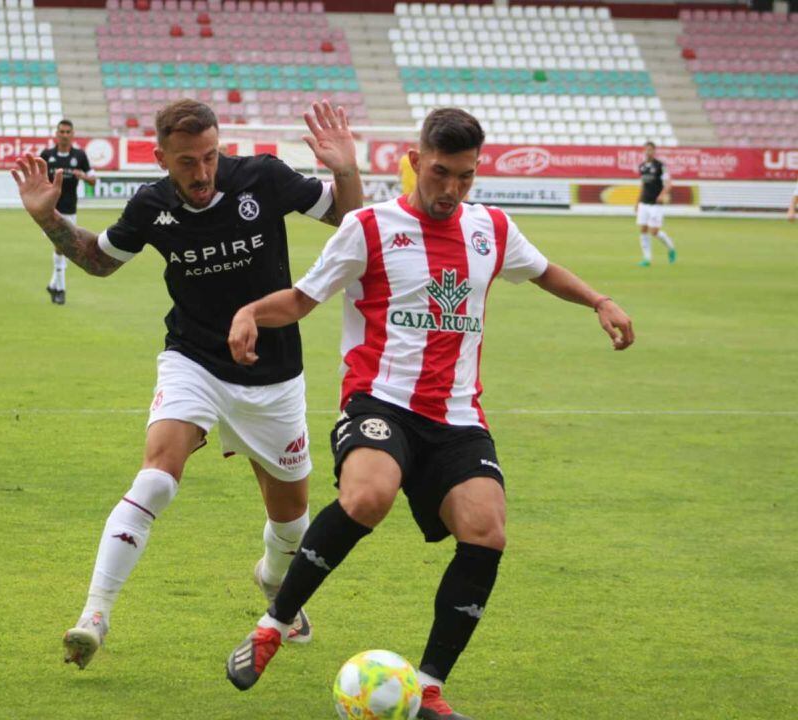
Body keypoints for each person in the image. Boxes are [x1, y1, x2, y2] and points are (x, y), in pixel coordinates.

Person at [223, 108, 634, 719]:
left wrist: (598, 299)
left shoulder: (491, 228)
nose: (450, 190)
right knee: (368, 495)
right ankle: (274, 626)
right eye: (440, 173)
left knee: (487, 528)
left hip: (458, 418)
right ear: (414, 162)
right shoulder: (368, 226)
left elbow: (543, 272)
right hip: (379, 400)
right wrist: (252, 311)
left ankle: (428, 687)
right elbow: (303, 299)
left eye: (464, 178)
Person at [10, 98, 364, 669]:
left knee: (292, 522)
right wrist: (49, 219)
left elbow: (348, 222)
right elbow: (100, 261)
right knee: (155, 478)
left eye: (209, 157)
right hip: (192, 361)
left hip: (273, 375)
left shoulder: (263, 177)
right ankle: (93, 616)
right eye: (185, 163)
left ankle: (273, 580)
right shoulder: (151, 205)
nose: (201, 173)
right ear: (160, 158)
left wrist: (345, 169)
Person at [41, 119, 96, 305]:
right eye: (61, 132)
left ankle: (53, 285)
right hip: (50, 209)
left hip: (70, 210)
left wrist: (84, 176)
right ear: (56, 134)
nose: (64, 135)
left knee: (63, 247)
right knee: (61, 246)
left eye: (67, 132)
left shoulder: (80, 156)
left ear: (72, 135)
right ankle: (61, 289)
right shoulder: (47, 155)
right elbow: (39, 180)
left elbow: (93, 181)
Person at [635, 141, 676, 267]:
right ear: (644, 151)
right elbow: (643, 184)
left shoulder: (660, 166)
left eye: (650, 150)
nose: (648, 152)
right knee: (643, 230)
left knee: (654, 231)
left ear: (654, 151)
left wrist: (662, 195)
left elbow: (669, 184)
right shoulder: (641, 166)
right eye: (646, 149)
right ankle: (647, 259)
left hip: (656, 205)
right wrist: (637, 201)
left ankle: (670, 247)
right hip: (644, 203)